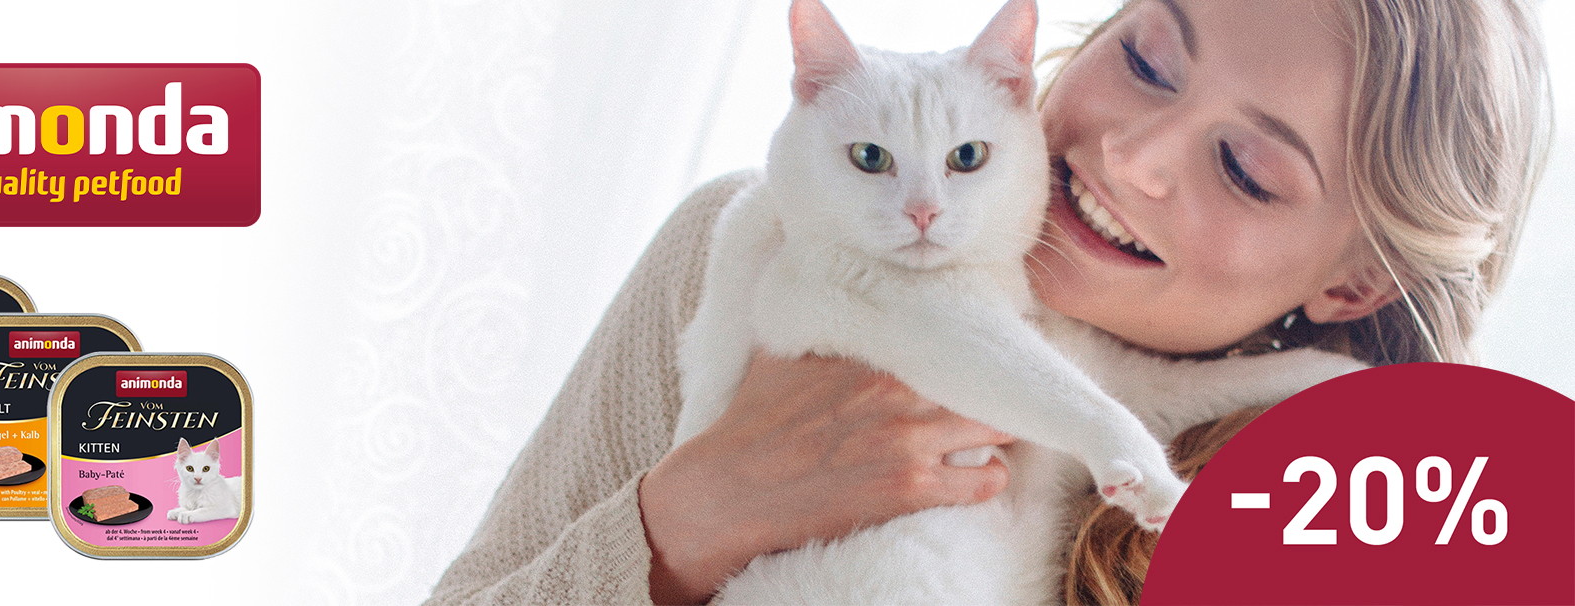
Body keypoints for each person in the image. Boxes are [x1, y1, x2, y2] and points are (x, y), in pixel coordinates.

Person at [425, 0, 1551, 604]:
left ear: (1353, 283)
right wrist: (682, 525)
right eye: (1148, 61)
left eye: (1244, 170)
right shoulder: (758, 246)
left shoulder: (1338, 520)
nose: (1131, 153)